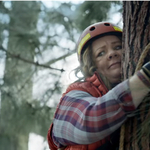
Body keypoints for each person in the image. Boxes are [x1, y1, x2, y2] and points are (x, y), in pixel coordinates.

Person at [47, 22, 150, 150]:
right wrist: (145, 78)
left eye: (118, 47)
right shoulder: (73, 95)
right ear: (91, 64)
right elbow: (90, 121)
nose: (112, 54)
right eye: (101, 53)